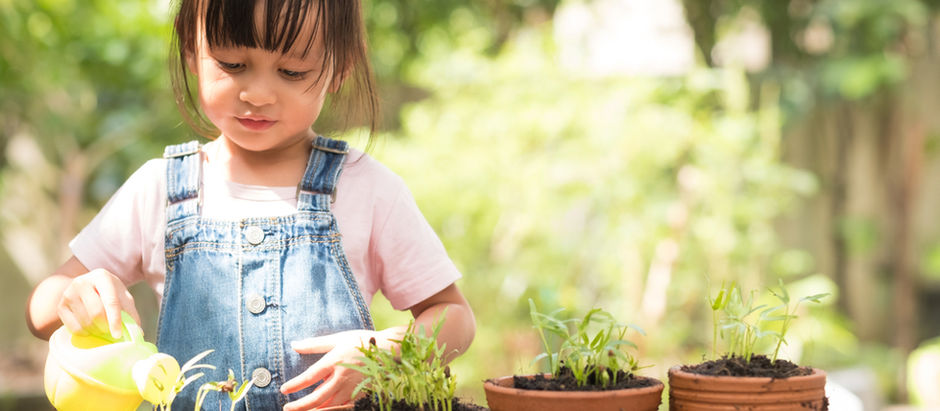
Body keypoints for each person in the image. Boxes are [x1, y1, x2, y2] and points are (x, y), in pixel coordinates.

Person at [25, 0, 476, 409]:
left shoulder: (366, 189)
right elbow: (43, 307)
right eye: (233, 64)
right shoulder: (160, 188)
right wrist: (79, 296)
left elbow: (453, 317)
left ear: (340, 68)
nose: (258, 93)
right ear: (191, 51)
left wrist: (386, 353)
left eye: (293, 71)